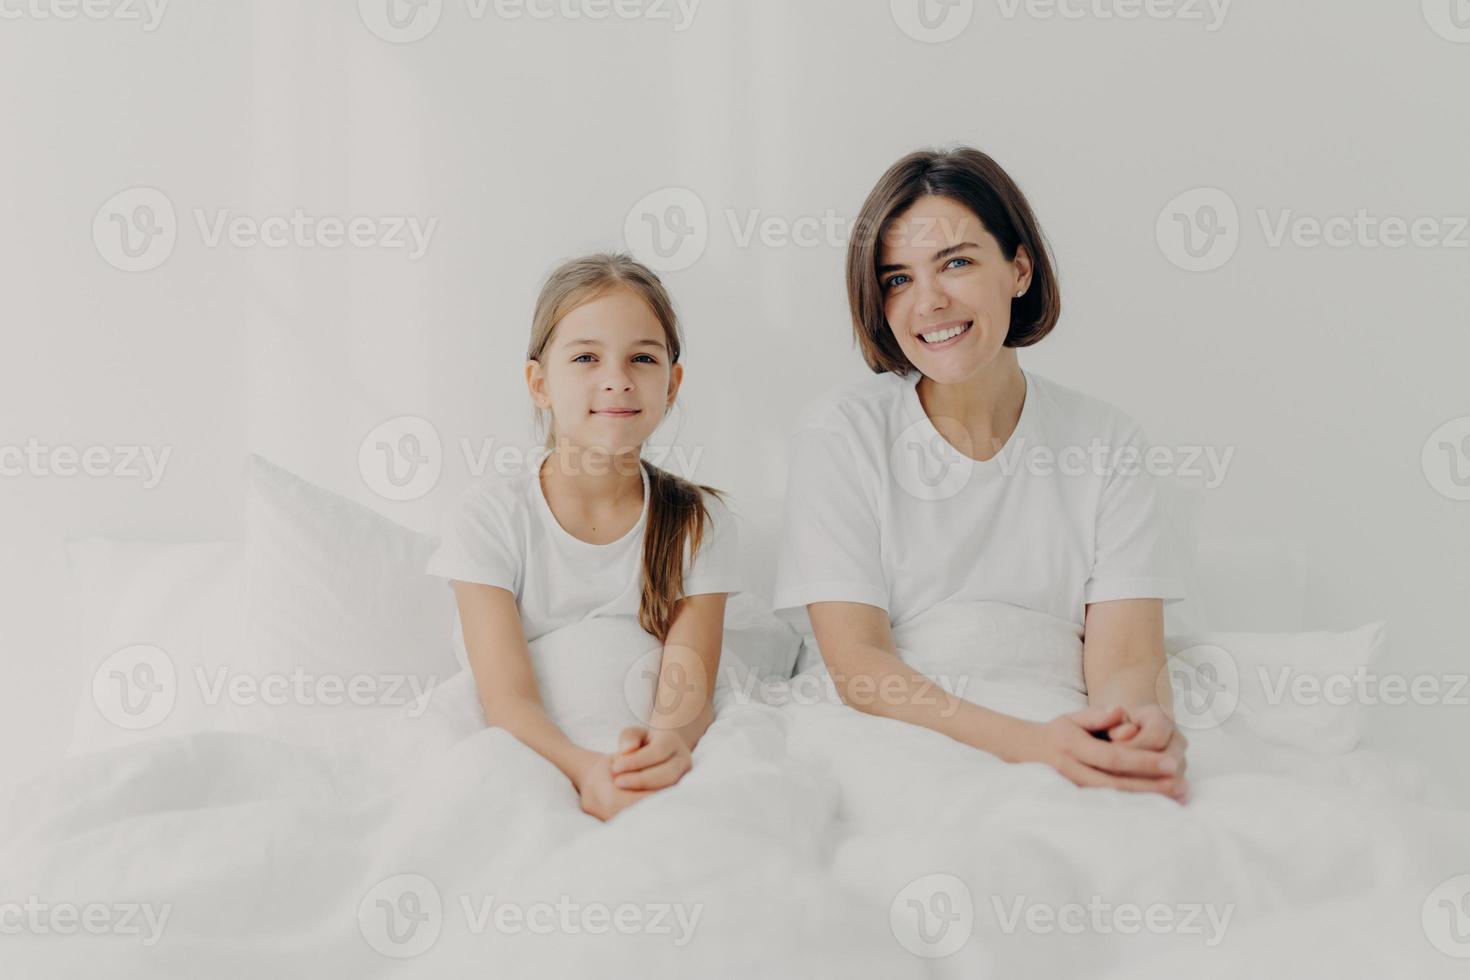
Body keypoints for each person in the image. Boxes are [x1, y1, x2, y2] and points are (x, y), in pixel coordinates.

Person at [773, 147, 1191, 803]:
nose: (929, 302)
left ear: (1019, 268)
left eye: (957, 263)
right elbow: (859, 668)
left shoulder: (1104, 439)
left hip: (1056, 709)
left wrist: (1129, 730)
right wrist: (1030, 745)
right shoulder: (840, 431)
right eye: (898, 279)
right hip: (895, 729)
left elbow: (1128, 661)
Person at [428, 253, 743, 820]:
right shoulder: (489, 517)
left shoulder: (696, 521)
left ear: (671, 385)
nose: (617, 378)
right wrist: (585, 770)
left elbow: (686, 691)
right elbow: (506, 697)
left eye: (642, 358)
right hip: (536, 748)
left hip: (642, 748)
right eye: (586, 358)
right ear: (539, 383)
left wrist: (656, 755)